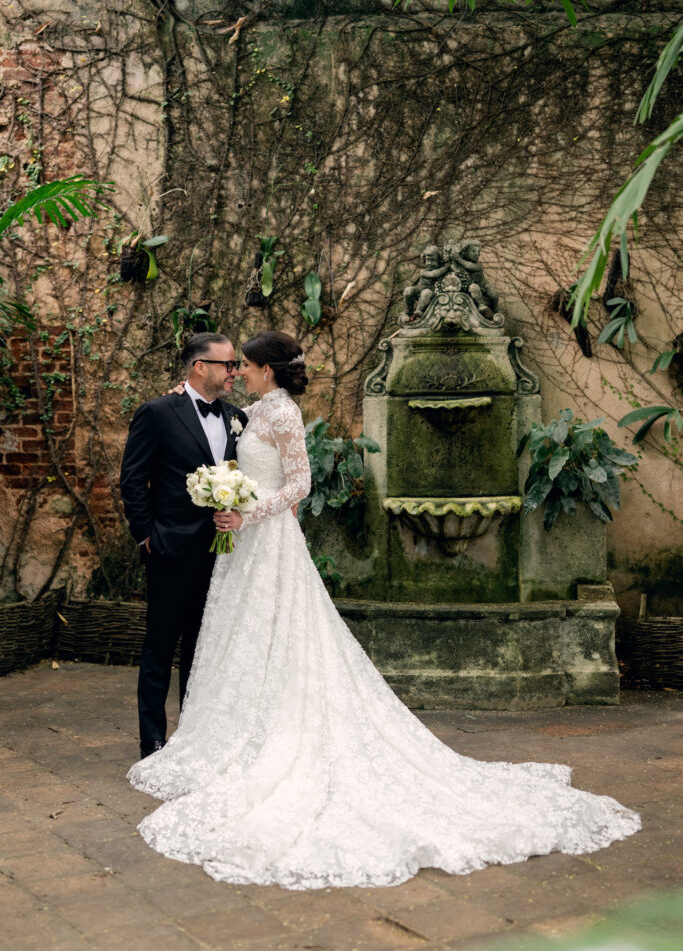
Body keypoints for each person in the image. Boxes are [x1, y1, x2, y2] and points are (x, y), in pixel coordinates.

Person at [126, 329, 640, 890]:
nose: (236, 373)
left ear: (266, 370)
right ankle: (210, 736)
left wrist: (247, 513)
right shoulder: (242, 413)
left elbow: (300, 483)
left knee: (274, 639)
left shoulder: (281, 415)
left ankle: (264, 741)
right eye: (230, 367)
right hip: (232, 551)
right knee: (230, 644)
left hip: (263, 543)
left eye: (243, 366)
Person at [120, 333, 247, 759]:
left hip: (222, 553)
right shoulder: (157, 412)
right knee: (160, 645)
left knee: (202, 647)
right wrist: (146, 536)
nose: (234, 372)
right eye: (227, 365)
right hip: (170, 548)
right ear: (199, 366)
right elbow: (133, 479)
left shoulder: (236, 418)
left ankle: (192, 737)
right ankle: (152, 739)